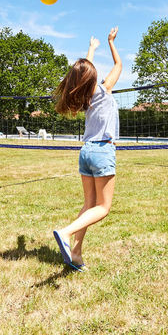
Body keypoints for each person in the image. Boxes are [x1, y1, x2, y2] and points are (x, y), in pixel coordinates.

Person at [52, 27, 121, 271]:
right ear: (92, 80)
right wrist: (112, 42)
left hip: (86, 152)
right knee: (103, 207)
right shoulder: (102, 91)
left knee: (89, 204)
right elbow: (119, 65)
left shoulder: (86, 96)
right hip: (102, 151)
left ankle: (77, 254)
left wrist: (91, 49)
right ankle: (66, 232)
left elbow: (83, 74)